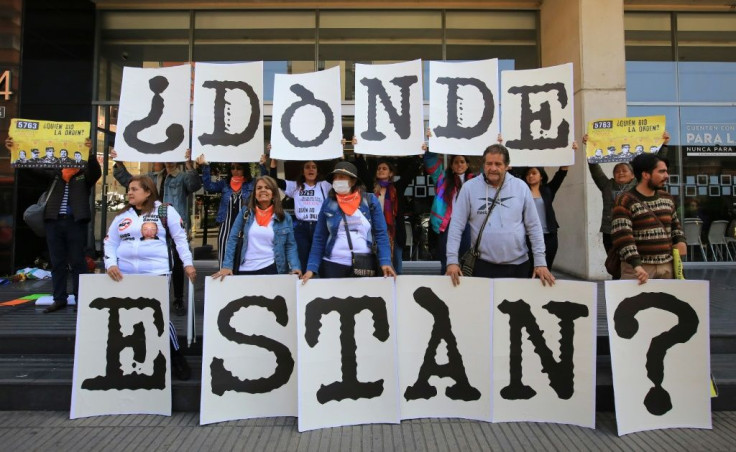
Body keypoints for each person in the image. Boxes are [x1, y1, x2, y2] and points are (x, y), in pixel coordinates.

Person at [104, 175, 196, 379]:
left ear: (147, 192)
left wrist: (188, 264)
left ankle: (175, 358)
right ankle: (138, 358)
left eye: (134, 189)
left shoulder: (164, 211)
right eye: (129, 189)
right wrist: (110, 263)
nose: (129, 192)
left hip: (157, 272)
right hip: (125, 275)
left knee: (158, 317)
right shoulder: (122, 216)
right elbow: (110, 242)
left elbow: (181, 239)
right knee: (129, 317)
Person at [5, 136, 101, 313]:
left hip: (75, 223)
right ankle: (59, 299)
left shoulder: (83, 174)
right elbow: (33, 167)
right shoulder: (55, 173)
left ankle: (82, 299)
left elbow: (95, 172)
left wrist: (91, 153)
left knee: (78, 262)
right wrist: (15, 150)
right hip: (53, 222)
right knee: (57, 262)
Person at [445, 144, 555, 287]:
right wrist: (452, 261)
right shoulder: (469, 188)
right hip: (481, 266)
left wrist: (540, 262)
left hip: (518, 266)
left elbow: (534, 226)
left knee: (516, 309)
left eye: (498, 164)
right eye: (489, 163)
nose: (493, 168)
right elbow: (456, 226)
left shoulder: (521, 187)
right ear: (483, 165)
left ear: (507, 166)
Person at [111, 149, 201, 316]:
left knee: (177, 260)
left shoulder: (181, 177)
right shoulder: (152, 177)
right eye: (166, 157)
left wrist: (189, 166)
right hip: (150, 225)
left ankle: (178, 298)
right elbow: (129, 182)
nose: (169, 161)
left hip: (171, 223)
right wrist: (119, 163)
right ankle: (144, 297)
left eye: (172, 158)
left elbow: (194, 185)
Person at [301, 161, 396, 282]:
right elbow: (319, 237)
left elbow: (381, 234)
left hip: (364, 265)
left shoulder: (370, 201)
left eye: (341, 177)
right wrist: (311, 268)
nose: (337, 180)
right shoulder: (328, 203)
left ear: (353, 181)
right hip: (332, 265)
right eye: (335, 177)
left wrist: (385, 261)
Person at [585, 131, 670, 254]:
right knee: (613, 265)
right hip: (610, 231)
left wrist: (664, 145)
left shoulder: (638, 185)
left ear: (632, 175)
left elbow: (656, 167)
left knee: (631, 265)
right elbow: (595, 168)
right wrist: (589, 147)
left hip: (634, 230)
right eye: (617, 171)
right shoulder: (607, 185)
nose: (620, 173)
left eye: (624, 170)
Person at [611, 153, 686, 284]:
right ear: (645, 175)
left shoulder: (667, 198)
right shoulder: (625, 200)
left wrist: (680, 240)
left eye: (666, 172)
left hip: (667, 267)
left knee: (666, 305)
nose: (666, 176)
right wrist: (636, 264)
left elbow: (675, 225)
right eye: (661, 172)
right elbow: (623, 236)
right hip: (638, 270)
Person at [211, 176, 301, 279]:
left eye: (267, 188)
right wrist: (227, 266)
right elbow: (233, 239)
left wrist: (295, 267)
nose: (263, 190)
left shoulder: (284, 217)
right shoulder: (245, 212)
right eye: (259, 188)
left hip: (272, 269)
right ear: (254, 194)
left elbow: (290, 246)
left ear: (274, 194)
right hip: (245, 269)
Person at [355, 154, 422, 274]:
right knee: (375, 264)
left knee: (397, 266)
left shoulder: (397, 188)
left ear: (391, 173)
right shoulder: (372, 188)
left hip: (394, 232)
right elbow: (363, 172)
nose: (381, 170)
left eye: (384, 168)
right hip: (375, 232)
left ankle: (397, 291)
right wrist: (359, 157)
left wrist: (419, 158)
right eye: (379, 168)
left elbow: (409, 174)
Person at [196, 155, 266, 267]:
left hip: (245, 226)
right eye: (233, 168)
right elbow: (209, 186)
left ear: (244, 169)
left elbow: (265, 183)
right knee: (224, 257)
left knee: (244, 257)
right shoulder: (225, 184)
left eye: (239, 168)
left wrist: (262, 165)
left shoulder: (251, 184)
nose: (235, 171)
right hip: (226, 226)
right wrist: (206, 166)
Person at [267, 156, 332, 273]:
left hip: (319, 227)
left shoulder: (324, 185)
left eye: (314, 167)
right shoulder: (295, 186)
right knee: (302, 260)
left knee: (320, 259)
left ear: (317, 171)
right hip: (301, 228)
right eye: (307, 167)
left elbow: (340, 178)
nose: (311, 170)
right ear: (303, 171)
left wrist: (341, 155)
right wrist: (273, 163)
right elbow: (273, 181)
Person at [424, 147, 476, 275]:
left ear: (467, 164)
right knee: (447, 262)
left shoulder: (476, 181)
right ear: (451, 165)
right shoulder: (442, 179)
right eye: (456, 162)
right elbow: (430, 160)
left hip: (468, 225)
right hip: (447, 225)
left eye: (462, 162)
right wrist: (431, 144)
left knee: (467, 261)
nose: (459, 164)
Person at [521, 160, 570, 274]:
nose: (530, 176)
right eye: (528, 174)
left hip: (549, 236)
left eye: (534, 173)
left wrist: (569, 152)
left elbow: (561, 174)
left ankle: (544, 291)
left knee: (546, 268)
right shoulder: (521, 191)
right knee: (530, 269)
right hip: (528, 236)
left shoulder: (548, 190)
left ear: (541, 176)